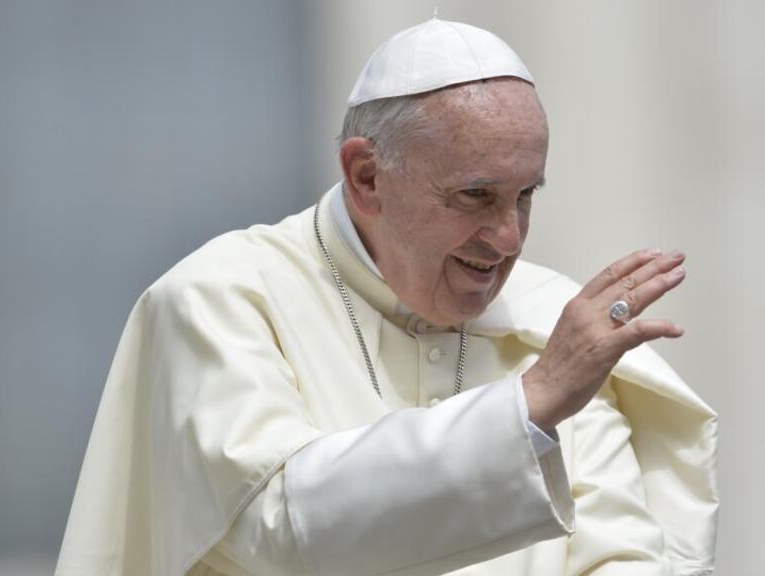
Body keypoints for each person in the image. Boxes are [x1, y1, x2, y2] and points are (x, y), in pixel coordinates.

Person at [56, 18, 718, 576]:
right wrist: (528, 405)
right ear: (367, 176)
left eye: (526, 196)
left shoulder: (549, 325)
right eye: (476, 196)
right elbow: (280, 531)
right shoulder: (221, 300)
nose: (508, 237)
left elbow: (619, 551)